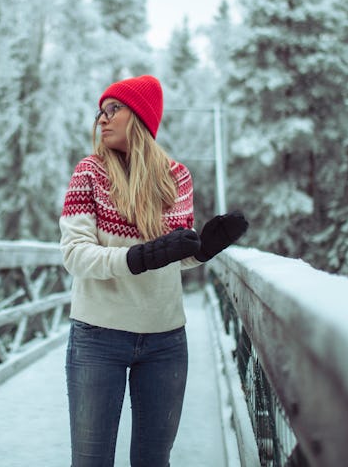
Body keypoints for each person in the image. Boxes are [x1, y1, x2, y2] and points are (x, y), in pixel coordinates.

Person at [59, 74, 248, 466]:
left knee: (152, 460)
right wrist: (138, 257)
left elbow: (172, 257)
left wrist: (203, 250)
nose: (103, 120)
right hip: (97, 337)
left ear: (141, 117)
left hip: (165, 341)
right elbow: (75, 254)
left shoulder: (176, 178)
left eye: (114, 110)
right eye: (102, 112)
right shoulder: (89, 172)